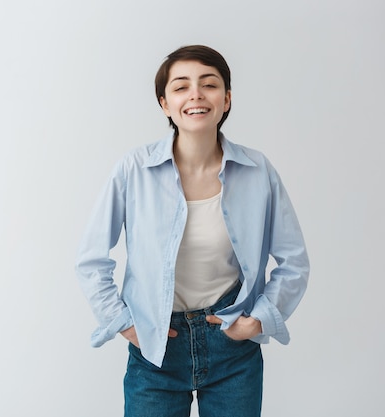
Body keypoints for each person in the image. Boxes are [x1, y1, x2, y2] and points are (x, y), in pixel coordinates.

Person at [75, 45, 309, 417]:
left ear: (227, 99)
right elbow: (90, 259)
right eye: (181, 86)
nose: (196, 95)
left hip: (231, 347)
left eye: (209, 84)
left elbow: (294, 261)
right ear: (165, 104)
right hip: (156, 351)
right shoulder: (134, 170)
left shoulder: (257, 170)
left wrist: (259, 318)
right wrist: (123, 323)